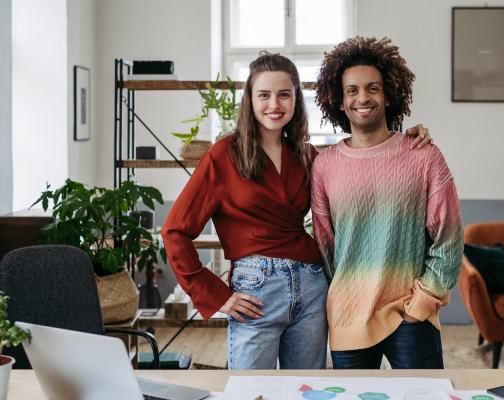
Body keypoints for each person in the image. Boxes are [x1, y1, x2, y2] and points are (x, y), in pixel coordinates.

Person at [161, 51, 432, 370]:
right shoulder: (224, 155)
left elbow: (360, 165)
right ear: (250, 100)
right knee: (251, 393)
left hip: (313, 285)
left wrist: (404, 139)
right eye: (264, 95)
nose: (274, 105)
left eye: (284, 95)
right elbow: (174, 231)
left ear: (296, 101)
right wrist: (217, 295)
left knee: (306, 391)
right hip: (257, 293)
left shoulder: (307, 156)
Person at [311, 37, 464, 370]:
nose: (362, 98)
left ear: (389, 93)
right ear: (338, 100)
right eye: (351, 90)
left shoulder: (423, 155)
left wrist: (422, 304)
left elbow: (449, 237)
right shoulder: (324, 166)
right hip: (348, 318)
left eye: (373, 88)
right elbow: (325, 247)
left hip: (410, 314)